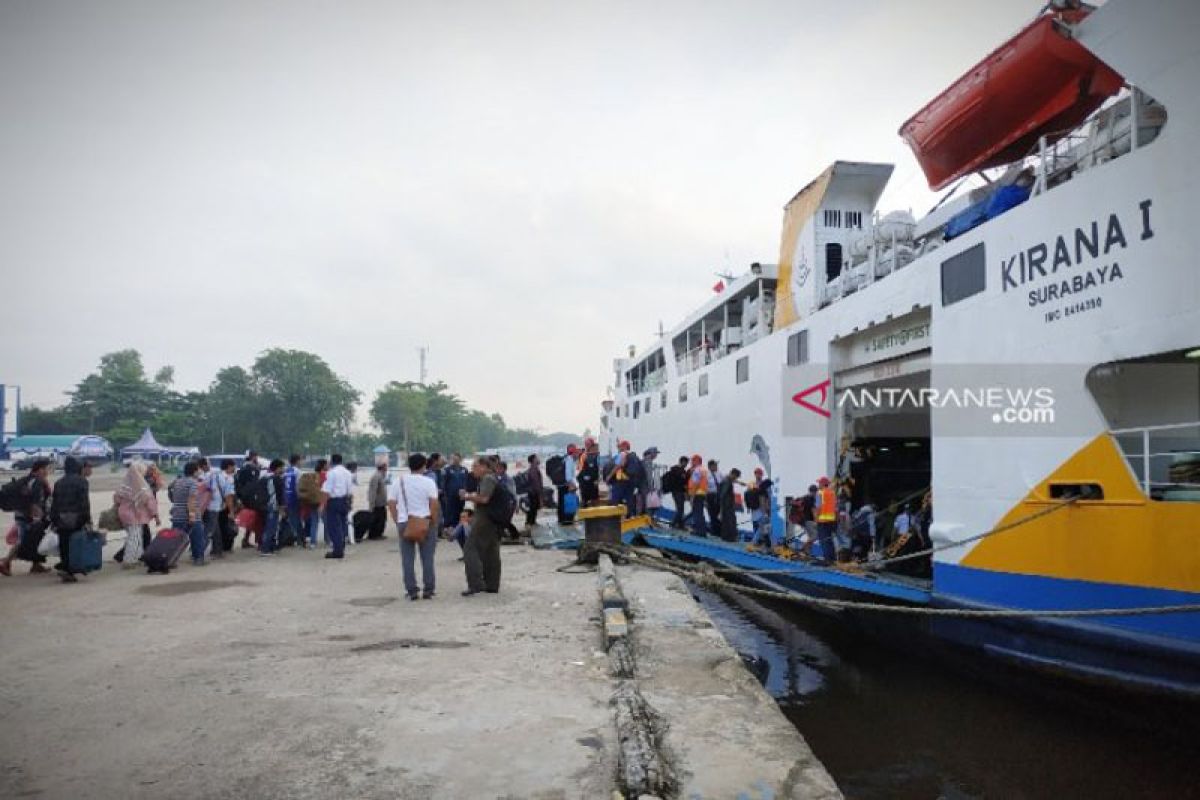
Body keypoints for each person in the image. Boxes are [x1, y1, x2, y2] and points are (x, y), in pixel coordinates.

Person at [389, 452, 441, 600]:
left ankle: (411, 590)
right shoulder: (429, 482)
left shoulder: (398, 482)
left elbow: (392, 503)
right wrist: (433, 521)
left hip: (405, 522)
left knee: (407, 558)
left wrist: (397, 519)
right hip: (425, 522)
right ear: (424, 465)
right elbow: (434, 504)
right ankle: (428, 589)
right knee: (427, 558)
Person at [0, 458, 53, 577]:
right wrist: (39, 517)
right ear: (40, 469)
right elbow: (35, 503)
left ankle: (36, 564)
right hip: (27, 516)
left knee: (36, 539)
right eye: (46, 469)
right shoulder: (37, 482)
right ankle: (5, 562)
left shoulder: (25, 479)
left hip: (20, 514)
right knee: (23, 541)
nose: (47, 472)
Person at [460, 455, 502, 595]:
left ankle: (476, 584)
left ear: (484, 466)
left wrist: (467, 496)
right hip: (493, 519)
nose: (473, 470)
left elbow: (484, 499)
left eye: (475, 466)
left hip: (485, 519)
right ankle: (492, 584)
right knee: (490, 551)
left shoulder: (488, 478)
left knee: (470, 549)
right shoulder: (493, 477)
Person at [50, 457, 92, 582]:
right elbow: (84, 502)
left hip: (60, 517)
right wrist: (86, 517)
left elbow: (54, 503)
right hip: (76, 517)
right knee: (76, 543)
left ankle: (66, 567)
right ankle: (73, 567)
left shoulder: (59, 482)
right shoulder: (82, 482)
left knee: (64, 544)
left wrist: (54, 518)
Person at [113, 462, 157, 568]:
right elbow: (149, 502)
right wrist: (155, 514)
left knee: (134, 537)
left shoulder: (125, 484)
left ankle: (135, 557)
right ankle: (129, 560)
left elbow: (116, 498)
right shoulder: (143, 487)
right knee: (135, 538)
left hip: (123, 514)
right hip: (135, 516)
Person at [170, 461, 206, 566]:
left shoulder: (177, 482)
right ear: (194, 471)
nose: (199, 471)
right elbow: (192, 499)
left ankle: (171, 559)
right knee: (197, 538)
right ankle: (198, 558)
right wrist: (192, 515)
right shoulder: (192, 483)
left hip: (177, 515)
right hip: (190, 516)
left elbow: (172, 496)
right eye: (198, 469)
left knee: (175, 539)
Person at [320, 453, 353, 559]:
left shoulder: (331, 473)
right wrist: (349, 503)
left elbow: (327, 491)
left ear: (332, 461)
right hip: (345, 500)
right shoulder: (348, 473)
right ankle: (341, 547)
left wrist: (322, 505)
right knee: (343, 525)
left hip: (334, 501)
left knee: (334, 526)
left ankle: (337, 551)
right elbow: (350, 490)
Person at [207, 459, 236, 558]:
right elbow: (228, 496)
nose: (234, 468)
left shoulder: (212, 474)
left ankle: (215, 549)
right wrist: (231, 511)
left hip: (208, 505)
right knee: (216, 529)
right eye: (233, 466)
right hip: (217, 506)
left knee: (214, 527)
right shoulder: (228, 478)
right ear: (229, 467)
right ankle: (217, 551)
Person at [258, 459, 286, 556]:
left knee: (267, 527)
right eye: (282, 467)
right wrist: (282, 509)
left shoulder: (263, 477)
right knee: (271, 528)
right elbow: (280, 495)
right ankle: (265, 549)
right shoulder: (277, 479)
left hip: (263, 506)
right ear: (278, 468)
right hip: (273, 506)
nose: (283, 469)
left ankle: (269, 547)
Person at [234, 453, 262, 549]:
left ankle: (246, 539)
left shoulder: (241, 469)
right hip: (251, 498)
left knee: (248, 518)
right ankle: (256, 540)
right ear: (254, 457)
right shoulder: (251, 469)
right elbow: (254, 483)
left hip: (242, 496)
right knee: (255, 517)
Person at [300, 458, 327, 548]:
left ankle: (313, 542)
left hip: (312, 501)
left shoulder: (312, 475)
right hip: (322, 501)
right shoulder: (325, 475)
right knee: (326, 521)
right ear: (324, 466)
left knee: (314, 522)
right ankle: (328, 540)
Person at [442, 453, 468, 535]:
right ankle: (448, 528)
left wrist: (466, 491)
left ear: (460, 460)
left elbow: (466, 482)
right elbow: (444, 483)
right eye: (454, 459)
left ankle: (459, 527)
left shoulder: (464, 470)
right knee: (450, 511)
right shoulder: (447, 470)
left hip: (461, 495)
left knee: (460, 511)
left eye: (457, 459)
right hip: (450, 495)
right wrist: (445, 494)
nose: (455, 461)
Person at [747, 467, 773, 547]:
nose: (758, 475)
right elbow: (763, 500)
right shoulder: (752, 484)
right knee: (760, 525)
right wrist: (766, 511)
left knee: (762, 525)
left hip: (761, 509)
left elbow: (768, 498)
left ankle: (760, 541)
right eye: (757, 473)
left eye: (760, 474)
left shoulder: (763, 485)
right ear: (755, 474)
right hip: (758, 509)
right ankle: (755, 542)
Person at [815, 477, 839, 564]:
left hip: (822, 521)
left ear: (822, 484)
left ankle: (827, 560)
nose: (818, 485)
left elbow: (819, 507)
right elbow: (836, 509)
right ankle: (832, 558)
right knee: (829, 540)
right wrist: (836, 520)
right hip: (831, 520)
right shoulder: (832, 493)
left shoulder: (820, 493)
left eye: (819, 483)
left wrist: (816, 519)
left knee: (824, 541)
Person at [496, 461, 520, 540]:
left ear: (504, 469)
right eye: (497, 468)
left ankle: (514, 534)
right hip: (500, 504)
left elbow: (513, 492)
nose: (498, 470)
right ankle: (504, 534)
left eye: (500, 468)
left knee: (505, 520)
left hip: (509, 503)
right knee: (502, 520)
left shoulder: (508, 480)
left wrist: (516, 505)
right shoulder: (496, 478)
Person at [686, 455, 709, 537]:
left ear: (697, 461)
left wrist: (692, 496)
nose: (691, 463)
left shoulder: (697, 470)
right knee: (700, 513)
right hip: (702, 494)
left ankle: (699, 532)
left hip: (697, 493)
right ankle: (702, 531)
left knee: (697, 514)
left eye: (693, 461)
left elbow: (695, 483)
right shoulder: (704, 470)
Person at [663, 457, 689, 529]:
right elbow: (679, 482)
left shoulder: (683, 471)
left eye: (687, 463)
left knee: (681, 509)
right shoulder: (676, 470)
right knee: (680, 509)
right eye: (685, 462)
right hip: (677, 492)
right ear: (682, 462)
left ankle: (680, 525)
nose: (686, 464)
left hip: (680, 492)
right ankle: (674, 524)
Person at [283, 454, 303, 545]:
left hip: (286, 497)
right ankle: (295, 538)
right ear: (297, 461)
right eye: (301, 460)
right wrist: (300, 498)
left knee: (291, 518)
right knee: (296, 519)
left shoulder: (286, 470)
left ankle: (294, 537)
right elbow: (297, 486)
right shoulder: (298, 472)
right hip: (294, 498)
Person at [718, 468, 741, 542]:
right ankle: (729, 537)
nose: (736, 478)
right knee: (730, 521)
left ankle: (725, 537)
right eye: (736, 476)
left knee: (727, 521)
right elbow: (723, 494)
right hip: (727, 505)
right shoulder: (727, 481)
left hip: (727, 504)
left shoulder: (727, 479)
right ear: (733, 474)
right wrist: (721, 507)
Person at [367, 462, 389, 540]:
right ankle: (374, 535)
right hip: (377, 503)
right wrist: (371, 503)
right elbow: (373, 491)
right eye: (386, 466)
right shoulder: (376, 476)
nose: (387, 468)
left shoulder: (381, 476)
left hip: (381, 502)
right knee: (377, 519)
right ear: (383, 467)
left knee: (382, 519)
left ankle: (379, 534)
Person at [577, 438, 600, 507]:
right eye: (586, 444)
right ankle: (584, 512)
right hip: (583, 480)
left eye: (588, 444)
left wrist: (597, 479)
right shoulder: (583, 455)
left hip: (593, 480)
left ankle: (595, 514)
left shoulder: (597, 455)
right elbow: (580, 468)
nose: (587, 445)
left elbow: (599, 468)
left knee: (594, 498)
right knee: (584, 498)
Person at [524, 454, 544, 531]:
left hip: (533, 492)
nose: (538, 459)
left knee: (534, 508)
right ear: (533, 460)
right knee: (533, 508)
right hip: (534, 492)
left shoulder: (534, 469)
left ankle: (532, 522)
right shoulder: (533, 470)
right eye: (537, 458)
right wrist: (540, 495)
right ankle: (529, 523)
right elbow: (536, 484)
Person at [705, 460, 723, 536]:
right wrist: (705, 499)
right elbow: (704, 487)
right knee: (712, 514)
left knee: (718, 514)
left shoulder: (719, 474)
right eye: (715, 465)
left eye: (716, 465)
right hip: (710, 496)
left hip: (718, 496)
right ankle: (714, 531)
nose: (716, 466)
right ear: (710, 466)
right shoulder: (706, 474)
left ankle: (719, 532)